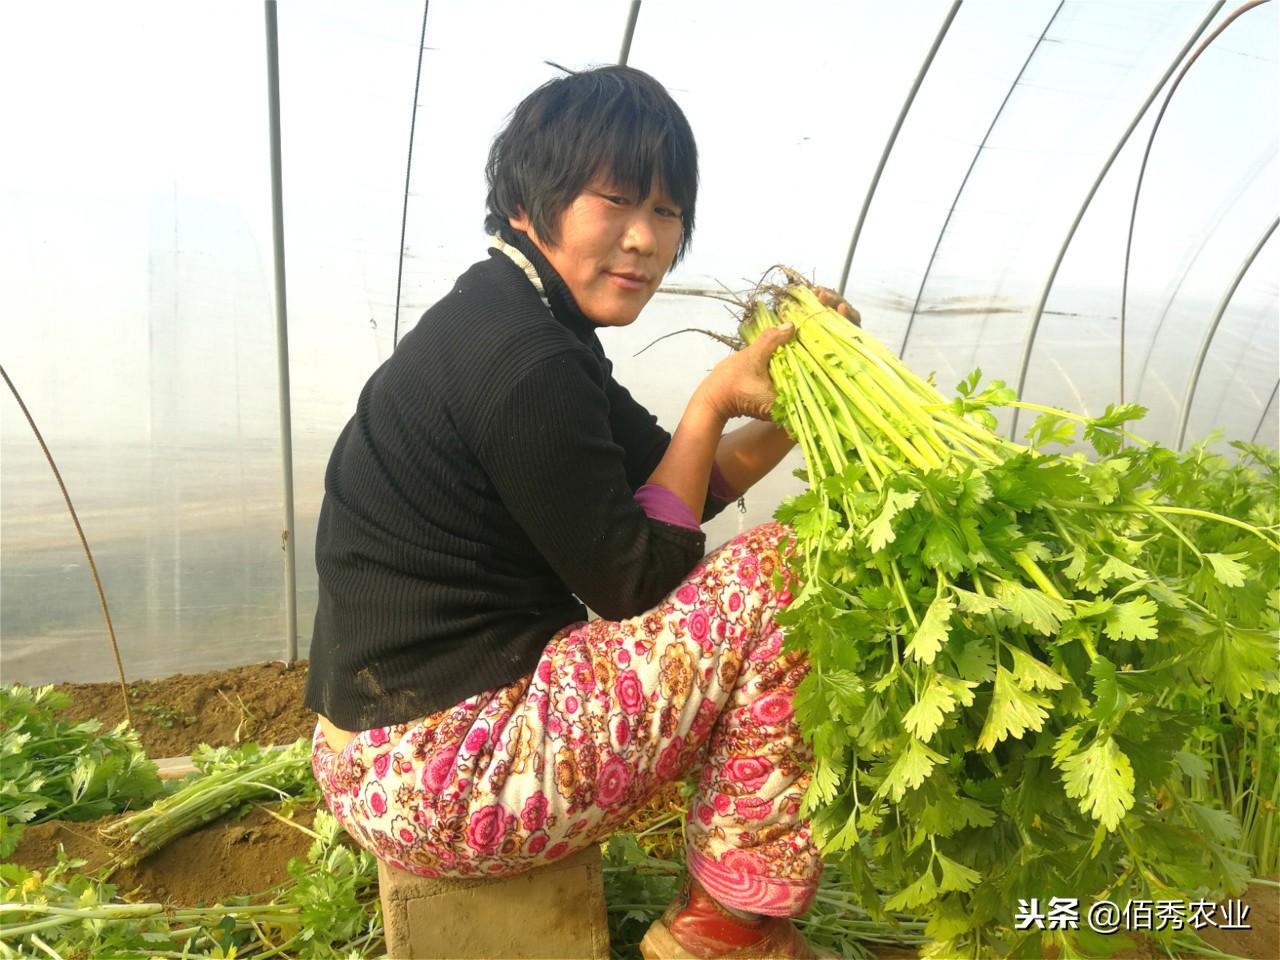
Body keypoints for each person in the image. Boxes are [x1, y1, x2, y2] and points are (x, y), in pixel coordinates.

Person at [305, 64, 856, 959]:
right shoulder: (523, 360)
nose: (644, 239)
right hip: (451, 777)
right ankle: (731, 925)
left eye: (668, 213)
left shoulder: (524, 320)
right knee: (785, 570)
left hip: (390, 751)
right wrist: (712, 401)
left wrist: (802, 395)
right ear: (532, 201)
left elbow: (683, 486)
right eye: (615, 203)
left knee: (755, 567)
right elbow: (636, 580)